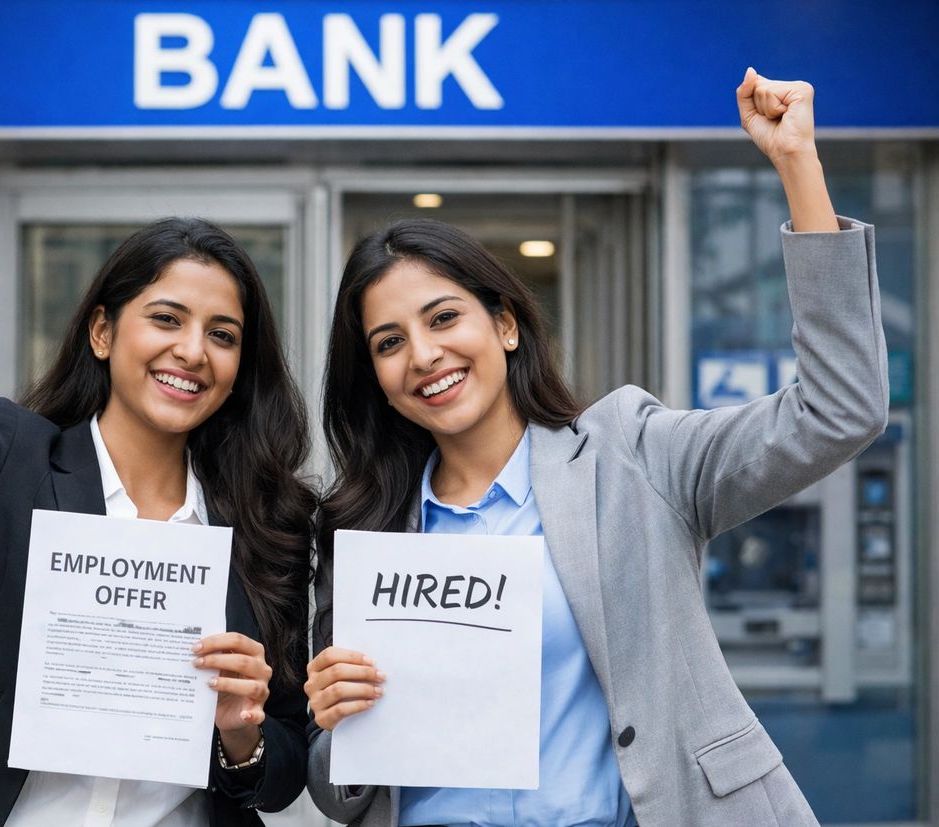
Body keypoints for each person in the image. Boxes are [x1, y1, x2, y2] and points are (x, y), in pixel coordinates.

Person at [305, 69, 887, 826]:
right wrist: (336, 719)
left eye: (444, 317)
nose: (423, 354)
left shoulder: (631, 455)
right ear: (377, 378)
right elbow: (334, 790)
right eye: (389, 342)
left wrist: (797, 166)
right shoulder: (362, 528)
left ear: (505, 326)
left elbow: (840, 409)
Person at [0, 87, 316, 826]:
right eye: (166, 318)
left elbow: (284, 760)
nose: (192, 351)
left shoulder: (268, 523)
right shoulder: (10, 461)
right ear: (103, 333)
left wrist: (242, 734)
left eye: (223, 334)